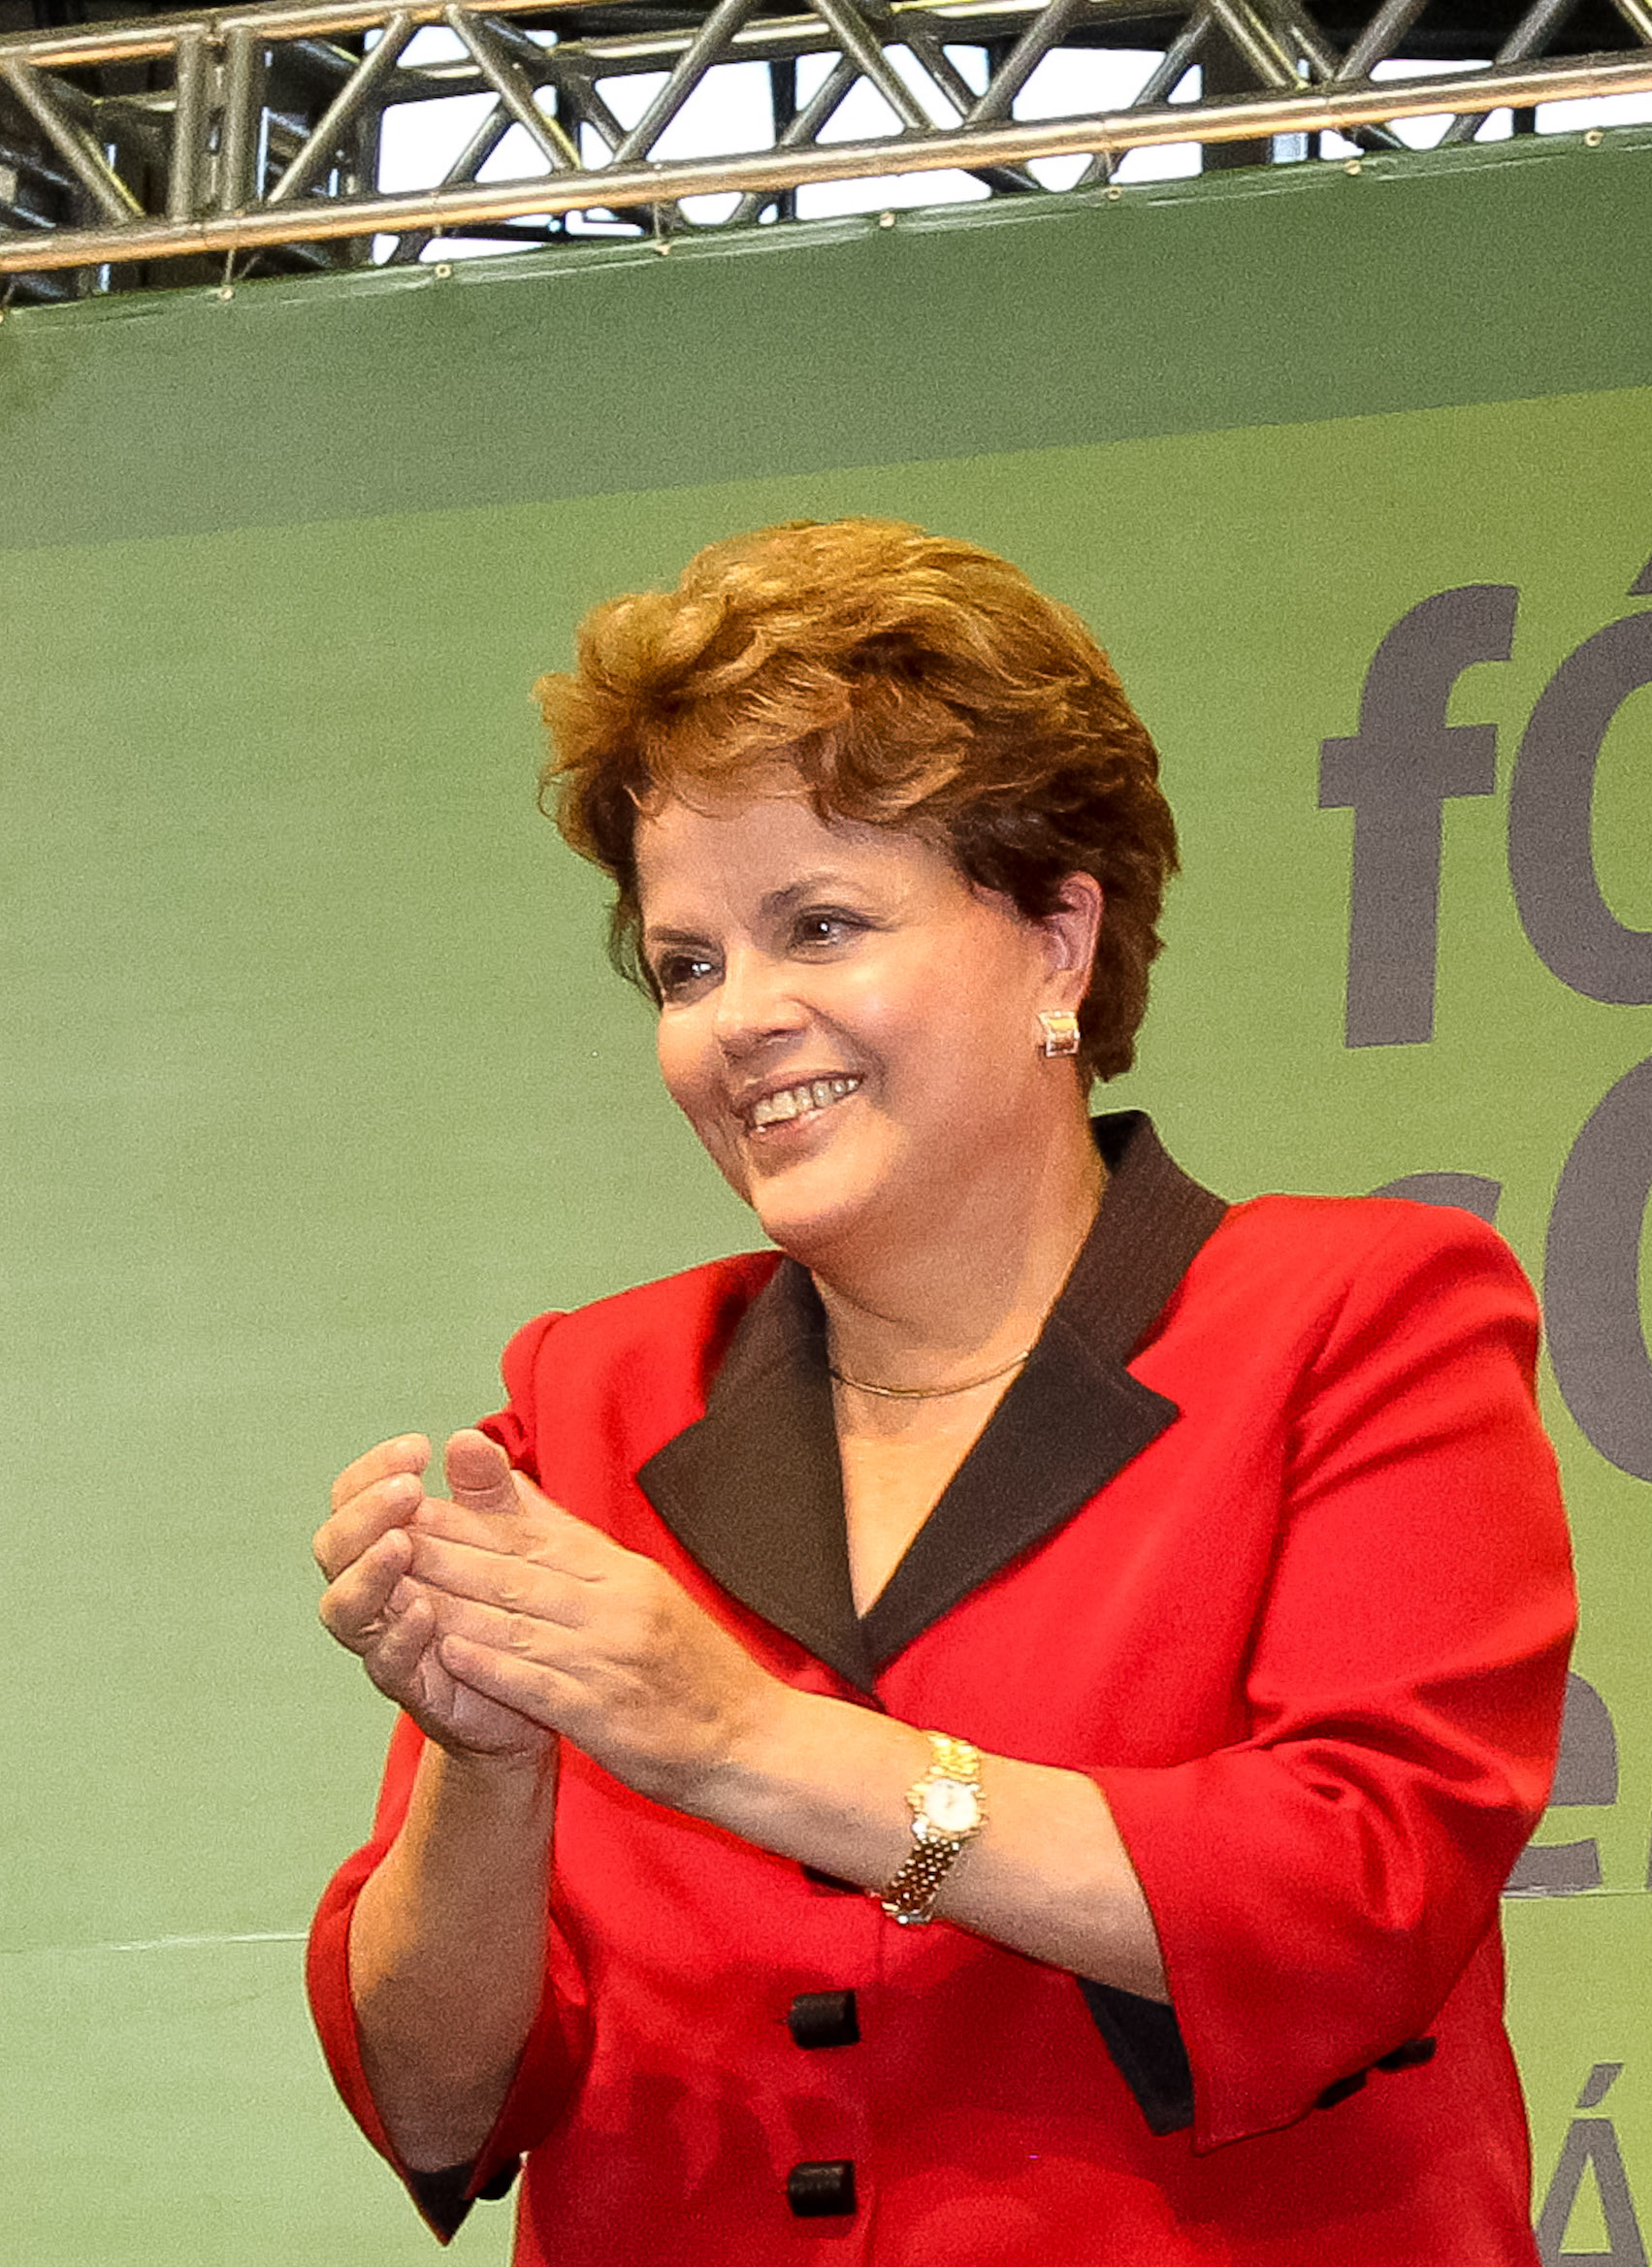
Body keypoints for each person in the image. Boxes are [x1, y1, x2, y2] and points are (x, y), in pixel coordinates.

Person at [306, 519, 1575, 2262]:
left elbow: (1352, 1897)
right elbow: (440, 2102)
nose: (740, 1017)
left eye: (818, 924)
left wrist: (750, 1742)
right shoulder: (586, 1402)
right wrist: (488, 1759)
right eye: (687, 964)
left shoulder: (1359, 1317)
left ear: (1060, 937)